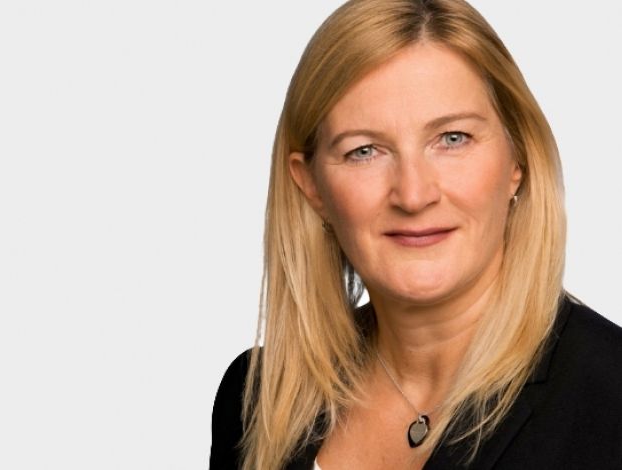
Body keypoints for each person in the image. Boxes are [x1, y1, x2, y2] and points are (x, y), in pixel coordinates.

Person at [209, 0, 622, 469]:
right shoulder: (257, 400)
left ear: (518, 160)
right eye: (365, 150)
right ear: (311, 186)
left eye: (452, 139)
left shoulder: (611, 398)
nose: (413, 194)